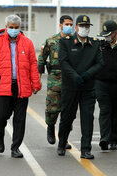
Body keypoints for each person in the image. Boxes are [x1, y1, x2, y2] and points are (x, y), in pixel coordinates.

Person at [0, 15, 41, 158]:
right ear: (6, 27)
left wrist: (36, 83)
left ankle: (15, 147)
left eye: (16, 28)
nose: (14, 30)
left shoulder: (27, 43)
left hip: (22, 87)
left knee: (20, 119)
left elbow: (33, 64)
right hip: (3, 86)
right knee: (1, 116)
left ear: (19, 28)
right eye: (11, 28)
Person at [57, 15, 103, 159]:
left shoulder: (95, 44)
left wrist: (87, 75)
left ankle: (85, 149)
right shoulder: (66, 42)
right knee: (67, 116)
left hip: (88, 87)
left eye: (87, 26)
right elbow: (63, 61)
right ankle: (62, 143)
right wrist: (75, 76)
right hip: (70, 86)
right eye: (82, 26)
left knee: (87, 118)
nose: (84, 29)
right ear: (76, 27)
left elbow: (100, 63)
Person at [38, 15, 73, 149]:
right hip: (55, 78)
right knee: (53, 108)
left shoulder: (75, 41)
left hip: (70, 80)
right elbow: (42, 59)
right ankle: (51, 126)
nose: (69, 27)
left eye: (71, 24)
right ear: (61, 25)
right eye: (67, 24)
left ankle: (64, 139)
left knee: (68, 112)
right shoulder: (51, 41)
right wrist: (38, 79)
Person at [95, 20, 117, 150]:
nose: (106, 37)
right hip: (101, 83)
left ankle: (113, 139)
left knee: (116, 112)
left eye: (108, 34)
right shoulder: (99, 46)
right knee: (105, 110)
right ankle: (104, 138)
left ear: (116, 33)